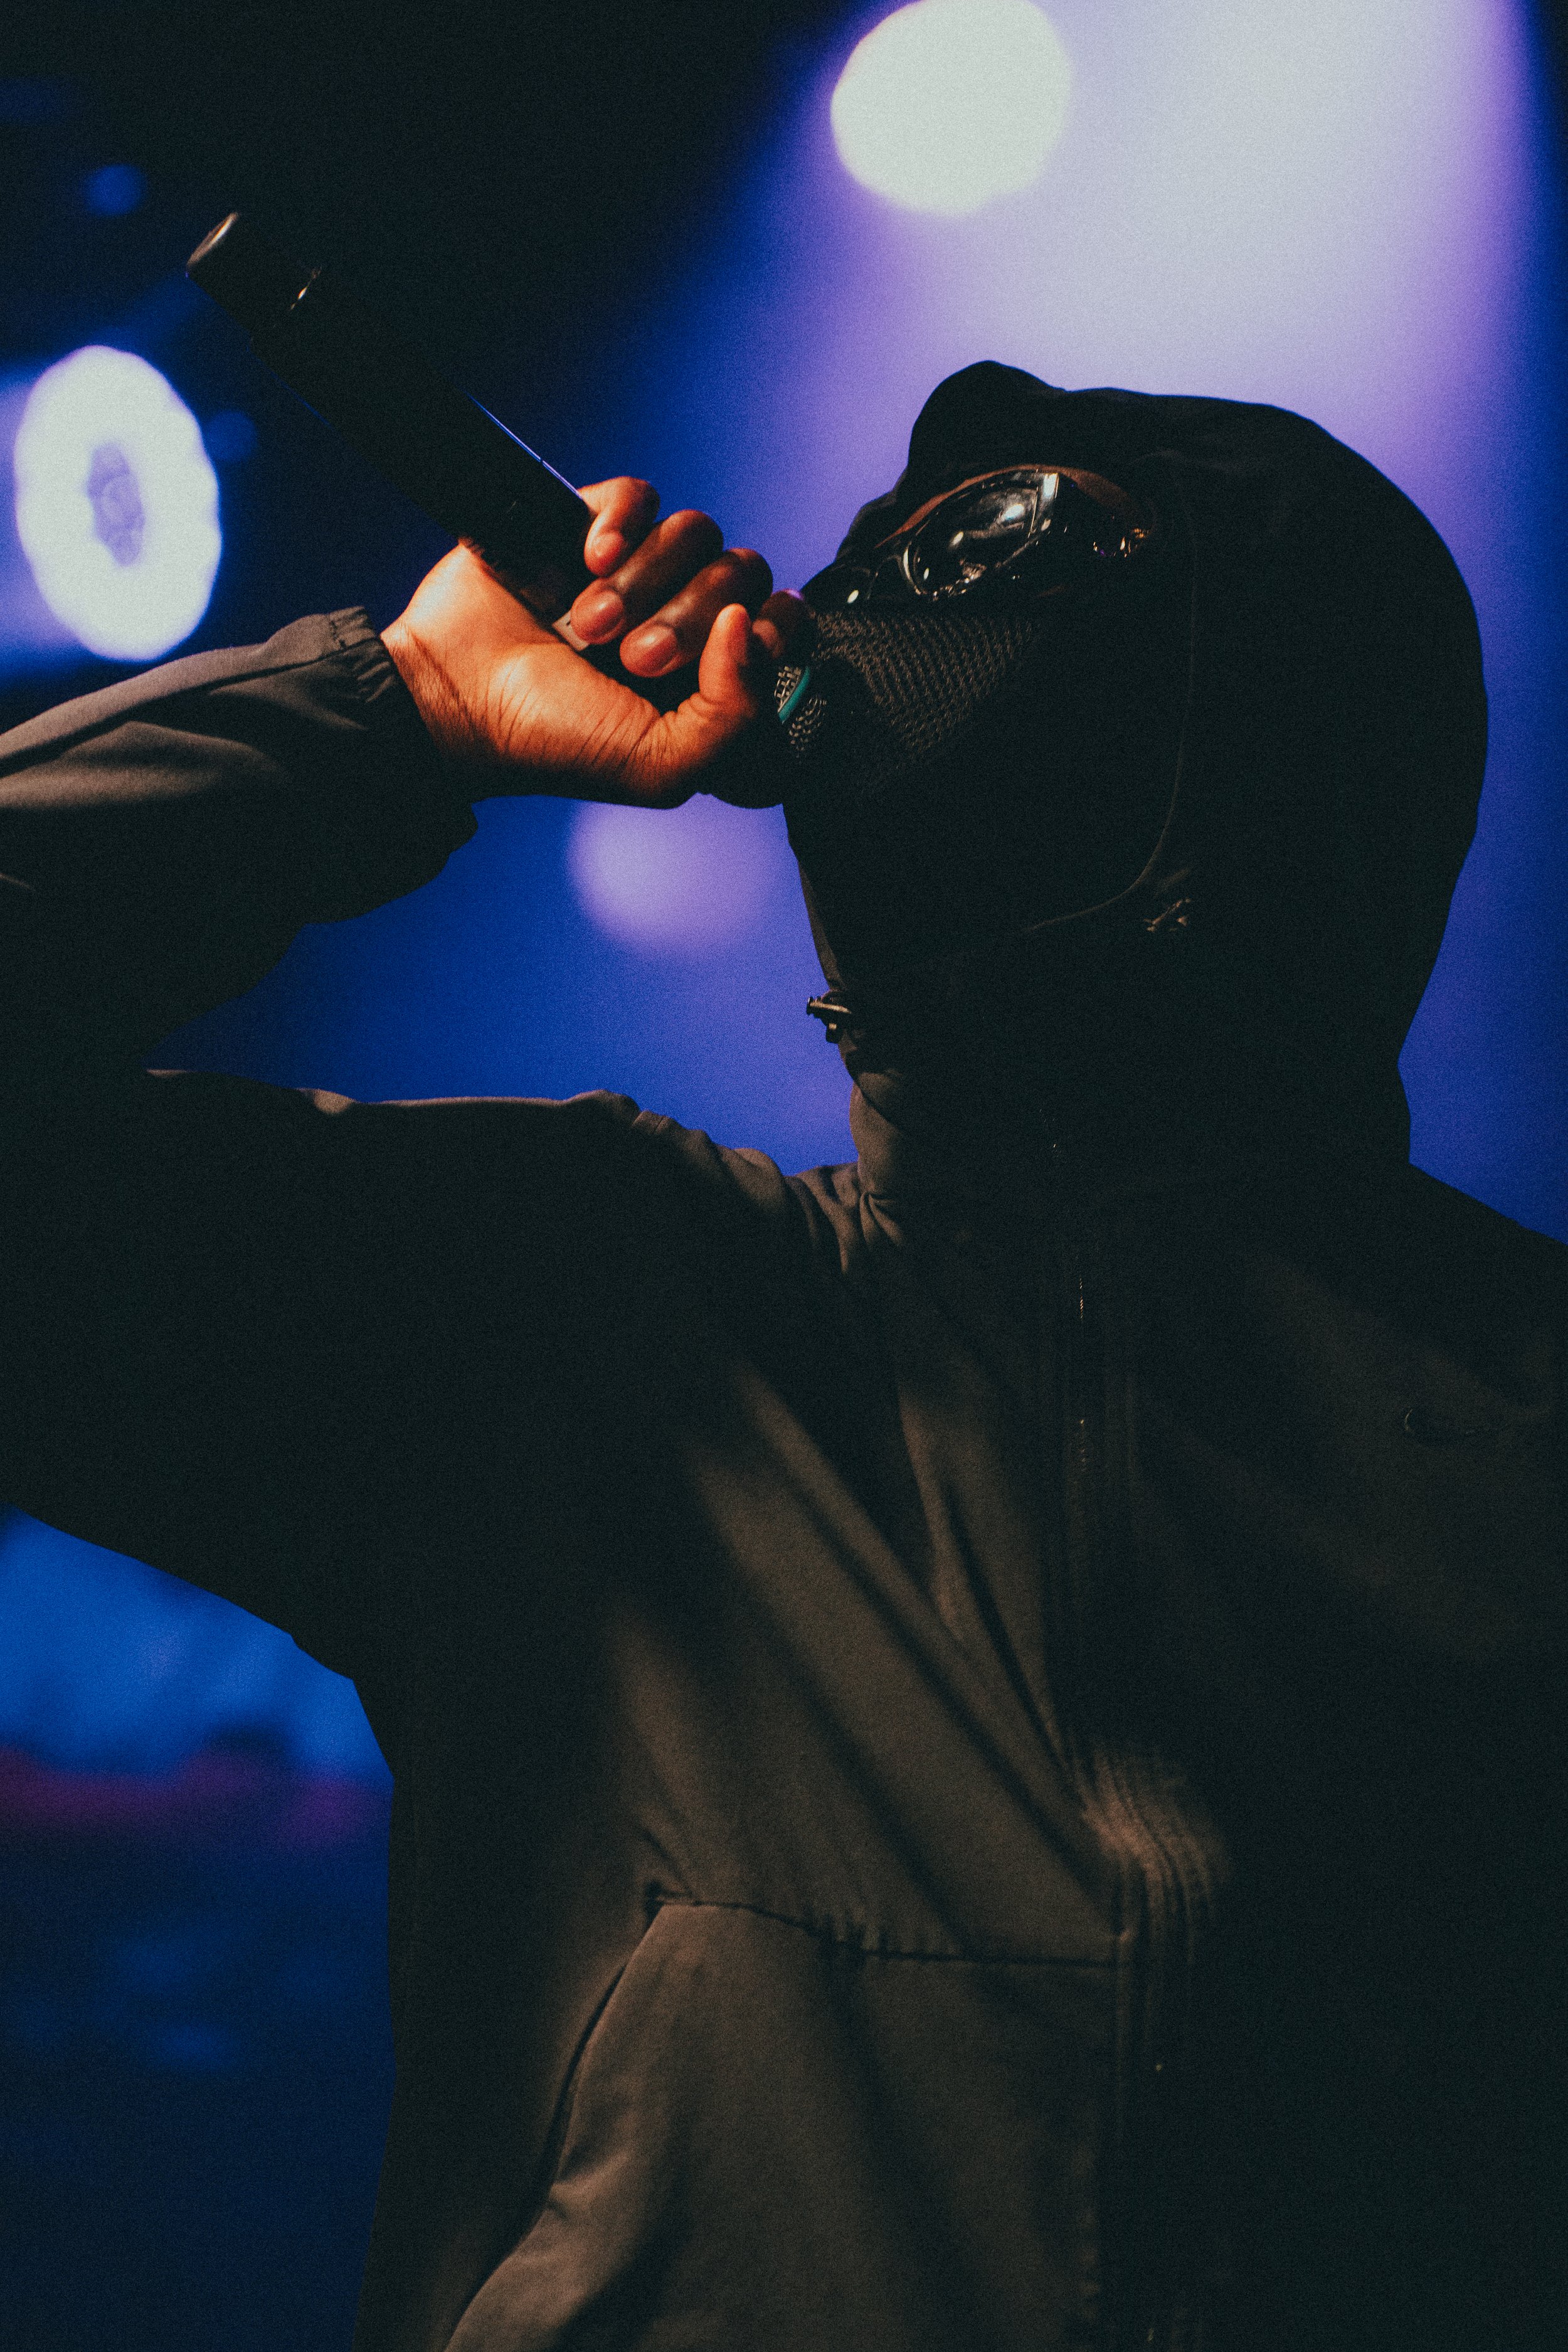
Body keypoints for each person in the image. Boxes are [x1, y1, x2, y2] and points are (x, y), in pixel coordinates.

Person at [0, 361, 1562, 2352]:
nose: (875, 590)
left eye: (1000, 545)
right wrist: (403, 711)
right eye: (886, 555)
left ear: (1278, 739)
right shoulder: (591, 1314)